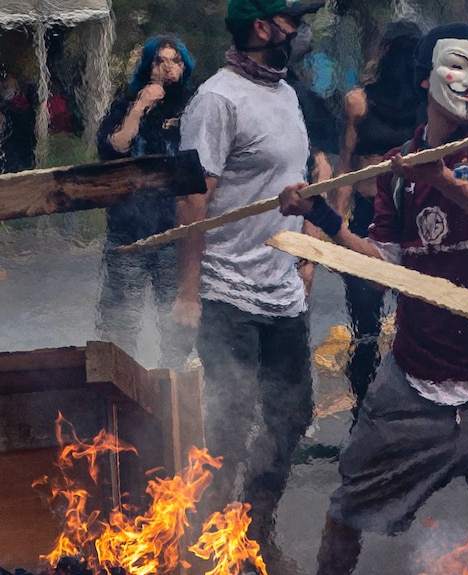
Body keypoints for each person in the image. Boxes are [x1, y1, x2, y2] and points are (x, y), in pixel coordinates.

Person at [279, 23, 468, 575]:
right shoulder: (399, 170)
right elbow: (385, 266)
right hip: (416, 382)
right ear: (426, 77)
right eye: (458, 66)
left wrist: (449, 182)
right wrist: (322, 218)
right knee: (348, 508)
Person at [172, 1, 322, 572]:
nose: (297, 31)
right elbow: (192, 201)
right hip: (225, 290)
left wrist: (306, 252)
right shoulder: (216, 100)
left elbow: (298, 178)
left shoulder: (286, 94)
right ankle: (213, 547)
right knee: (228, 425)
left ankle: (256, 534)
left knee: (291, 416)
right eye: (289, 20)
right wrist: (187, 295)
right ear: (262, 28)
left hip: (281, 290)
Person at [332, 19, 422, 421]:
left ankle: (415, 409)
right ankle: (364, 413)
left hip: (417, 218)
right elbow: (346, 166)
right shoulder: (359, 102)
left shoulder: (431, 103)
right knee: (365, 324)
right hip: (369, 218)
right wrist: (336, 223)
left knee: (417, 319)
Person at [95, 34, 195, 369]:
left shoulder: (194, 106)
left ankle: (173, 388)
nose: (168, 67)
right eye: (160, 60)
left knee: (175, 321)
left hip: (174, 232)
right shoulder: (125, 105)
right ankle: (118, 392)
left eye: (175, 60)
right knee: (120, 324)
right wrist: (140, 107)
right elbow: (114, 148)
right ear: (148, 66)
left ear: (184, 67)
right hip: (129, 232)